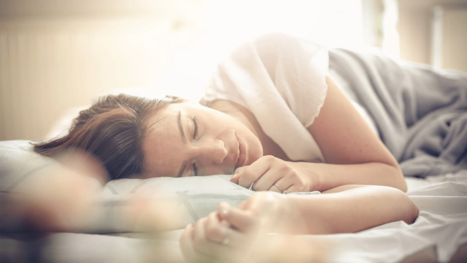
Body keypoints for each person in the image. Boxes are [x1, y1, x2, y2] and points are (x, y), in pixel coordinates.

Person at [33, 33, 419, 262]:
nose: (217, 154)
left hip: (408, 102)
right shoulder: (235, 185)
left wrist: (310, 172)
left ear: (179, 97)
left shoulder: (270, 62)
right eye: (195, 171)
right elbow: (387, 200)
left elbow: (391, 177)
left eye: (194, 127)